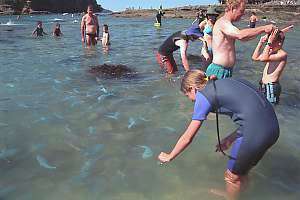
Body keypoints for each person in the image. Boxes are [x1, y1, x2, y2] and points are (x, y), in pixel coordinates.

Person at [158, 69, 279, 200]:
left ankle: (231, 197)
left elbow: (188, 137)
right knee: (240, 173)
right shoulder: (224, 83)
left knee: (231, 177)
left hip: (256, 132)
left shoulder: (203, 96)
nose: (191, 100)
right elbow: (254, 112)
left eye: (188, 96)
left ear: (192, 89)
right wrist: (231, 138)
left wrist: (170, 156)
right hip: (272, 128)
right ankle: (239, 194)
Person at [205, 0, 275, 79]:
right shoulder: (223, 23)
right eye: (241, 11)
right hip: (217, 71)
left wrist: (261, 38)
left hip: (225, 70)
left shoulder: (228, 24)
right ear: (232, 8)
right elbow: (240, 35)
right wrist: (263, 28)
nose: (243, 14)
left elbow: (244, 38)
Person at [252, 25, 293, 104]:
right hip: (263, 85)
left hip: (271, 87)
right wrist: (260, 42)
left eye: (271, 43)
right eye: (268, 43)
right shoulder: (271, 52)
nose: (269, 45)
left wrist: (269, 42)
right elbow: (255, 57)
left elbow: (264, 59)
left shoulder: (282, 54)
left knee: (270, 110)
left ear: (279, 43)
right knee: (262, 108)